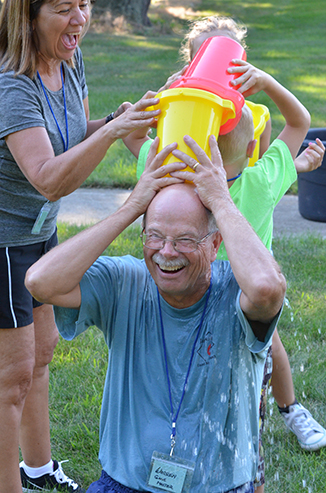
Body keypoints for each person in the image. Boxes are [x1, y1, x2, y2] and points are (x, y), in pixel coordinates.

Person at [123, 19, 326, 493]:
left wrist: (155, 114)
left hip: (227, 279)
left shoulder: (175, 163)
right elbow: (277, 147)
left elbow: (252, 159)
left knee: (255, 349)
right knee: (248, 360)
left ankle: (288, 410)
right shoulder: (239, 173)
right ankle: (247, 463)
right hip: (217, 283)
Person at [25, 133, 286, 493]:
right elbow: (40, 281)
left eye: (184, 240)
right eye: (155, 236)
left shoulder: (235, 291)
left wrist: (221, 202)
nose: (166, 252)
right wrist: (131, 207)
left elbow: (267, 289)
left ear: (214, 245)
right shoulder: (125, 281)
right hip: (123, 484)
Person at [0, 0, 162, 492]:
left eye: (85, 4)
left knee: (43, 353)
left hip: (39, 230)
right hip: (4, 242)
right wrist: (113, 132)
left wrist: (118, 120)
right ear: (27, 15)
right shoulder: (13, 87)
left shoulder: (69, 60)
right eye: (64, 7)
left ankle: (40, 471)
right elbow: (49, 177)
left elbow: (68, 140)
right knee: (12, 378)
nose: (80, 19)